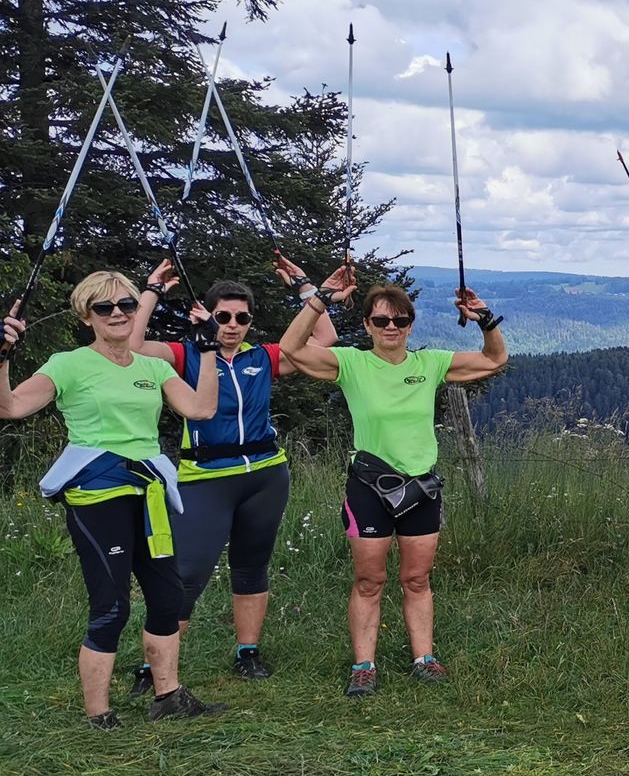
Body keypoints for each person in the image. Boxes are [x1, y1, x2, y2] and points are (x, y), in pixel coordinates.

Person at [0, 273, 227, 726]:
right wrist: (3, 357)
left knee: (168, 597)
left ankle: (169, 698)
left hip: (150, 494)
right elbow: (10, 408)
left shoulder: (153, 367)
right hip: (97, 495)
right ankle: (98, 714)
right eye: (104, 308)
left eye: (125, 303)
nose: (119, 313)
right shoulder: (68, 364)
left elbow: (201, 409)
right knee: (112, 606)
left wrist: (206, 353)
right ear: (87, 316)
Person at [280, 270, 508, 696]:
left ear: (410, 325)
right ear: (366, 324)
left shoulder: (431, 363)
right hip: (368, 487)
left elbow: (494, 359)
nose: (390, 328)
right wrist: (320, 297)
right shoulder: (351, 363)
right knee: (369, 581)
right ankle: (363, 665)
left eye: (400, 321)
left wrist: (484, 318)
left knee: (417, 579)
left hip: (421, 488)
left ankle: (425, 658)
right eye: (381, 321)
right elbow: (292, 349)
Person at [120, 257, 335, 688]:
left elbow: (325, 339)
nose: (232, 325)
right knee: (188, 572)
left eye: (241, 317)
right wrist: (152, 291)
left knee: (251, 566)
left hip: (266, 474)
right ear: (210, 315)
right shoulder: (187, 354)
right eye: (223, 316)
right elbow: (133, 343)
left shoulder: (264, 356)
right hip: (204, 477)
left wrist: (305, 287)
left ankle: (247, 651)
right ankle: (155, 666)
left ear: (250, 320)